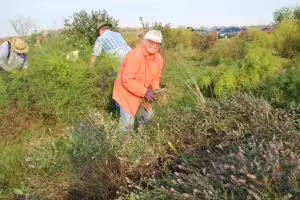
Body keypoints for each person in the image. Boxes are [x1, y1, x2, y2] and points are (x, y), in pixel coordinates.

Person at [112, 30, 164, 133]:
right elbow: (127, 80)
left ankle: (141, 138)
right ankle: (123, 145)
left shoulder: (158, 59)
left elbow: (155, 78)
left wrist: (157, 91)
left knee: (148, 117)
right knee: (127, 124)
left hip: (143, 92)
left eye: (157, 43)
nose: (153, 45)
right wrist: (145, 92)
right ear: (145, 41)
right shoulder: (134, 55)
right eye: (151, 42)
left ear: (159, 45)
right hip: (126, 93)